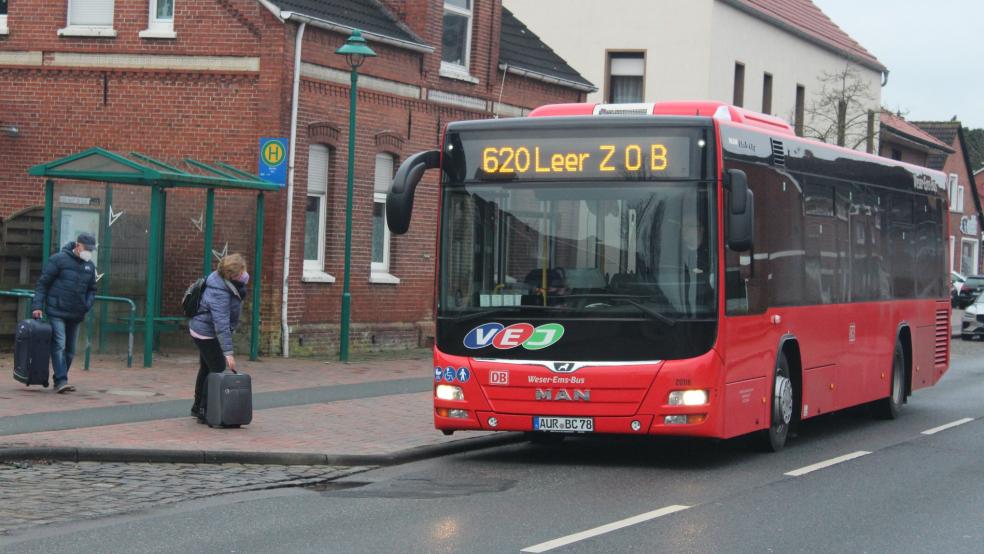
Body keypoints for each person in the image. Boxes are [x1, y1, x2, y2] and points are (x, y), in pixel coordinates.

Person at [31, 232, 99, 393]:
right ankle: (62, 380)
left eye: (91, 249)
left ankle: (59, 379)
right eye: (86, 248)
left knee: (70, 349)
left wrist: (86, 305)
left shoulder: (90, 266)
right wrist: (37, 306)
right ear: (77, 245)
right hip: (57, 310)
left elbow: (92, 289)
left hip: (76, 313)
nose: (88, 251)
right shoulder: (58, 260)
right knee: (59, 344)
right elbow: (43, 284)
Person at [188, 253, 249, 423]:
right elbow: (221, 324)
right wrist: (228, 352)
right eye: (240, 273)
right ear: (231, 275)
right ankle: (204, 410)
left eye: (244, 270)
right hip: (204, 331)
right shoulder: (218, 291)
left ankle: (197, 406)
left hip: (206, 329)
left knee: (207, 367)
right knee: (217, 367)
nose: (244, 275)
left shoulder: (229, 281)